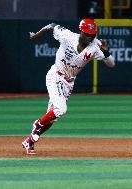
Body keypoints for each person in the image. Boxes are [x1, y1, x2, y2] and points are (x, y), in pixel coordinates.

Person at [22, 18, 115, 155]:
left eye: (92, 34)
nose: (89, 37)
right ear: (80, 31)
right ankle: (37, 125)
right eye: (87, 33)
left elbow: (111, 64)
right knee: (60, 109)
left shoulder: (96, 46)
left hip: (68, 83)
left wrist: (106, 52)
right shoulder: (67, 35)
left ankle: (29, 141)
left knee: (53, 116)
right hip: (55, 76)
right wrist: (37, 35)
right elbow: (52, 26)